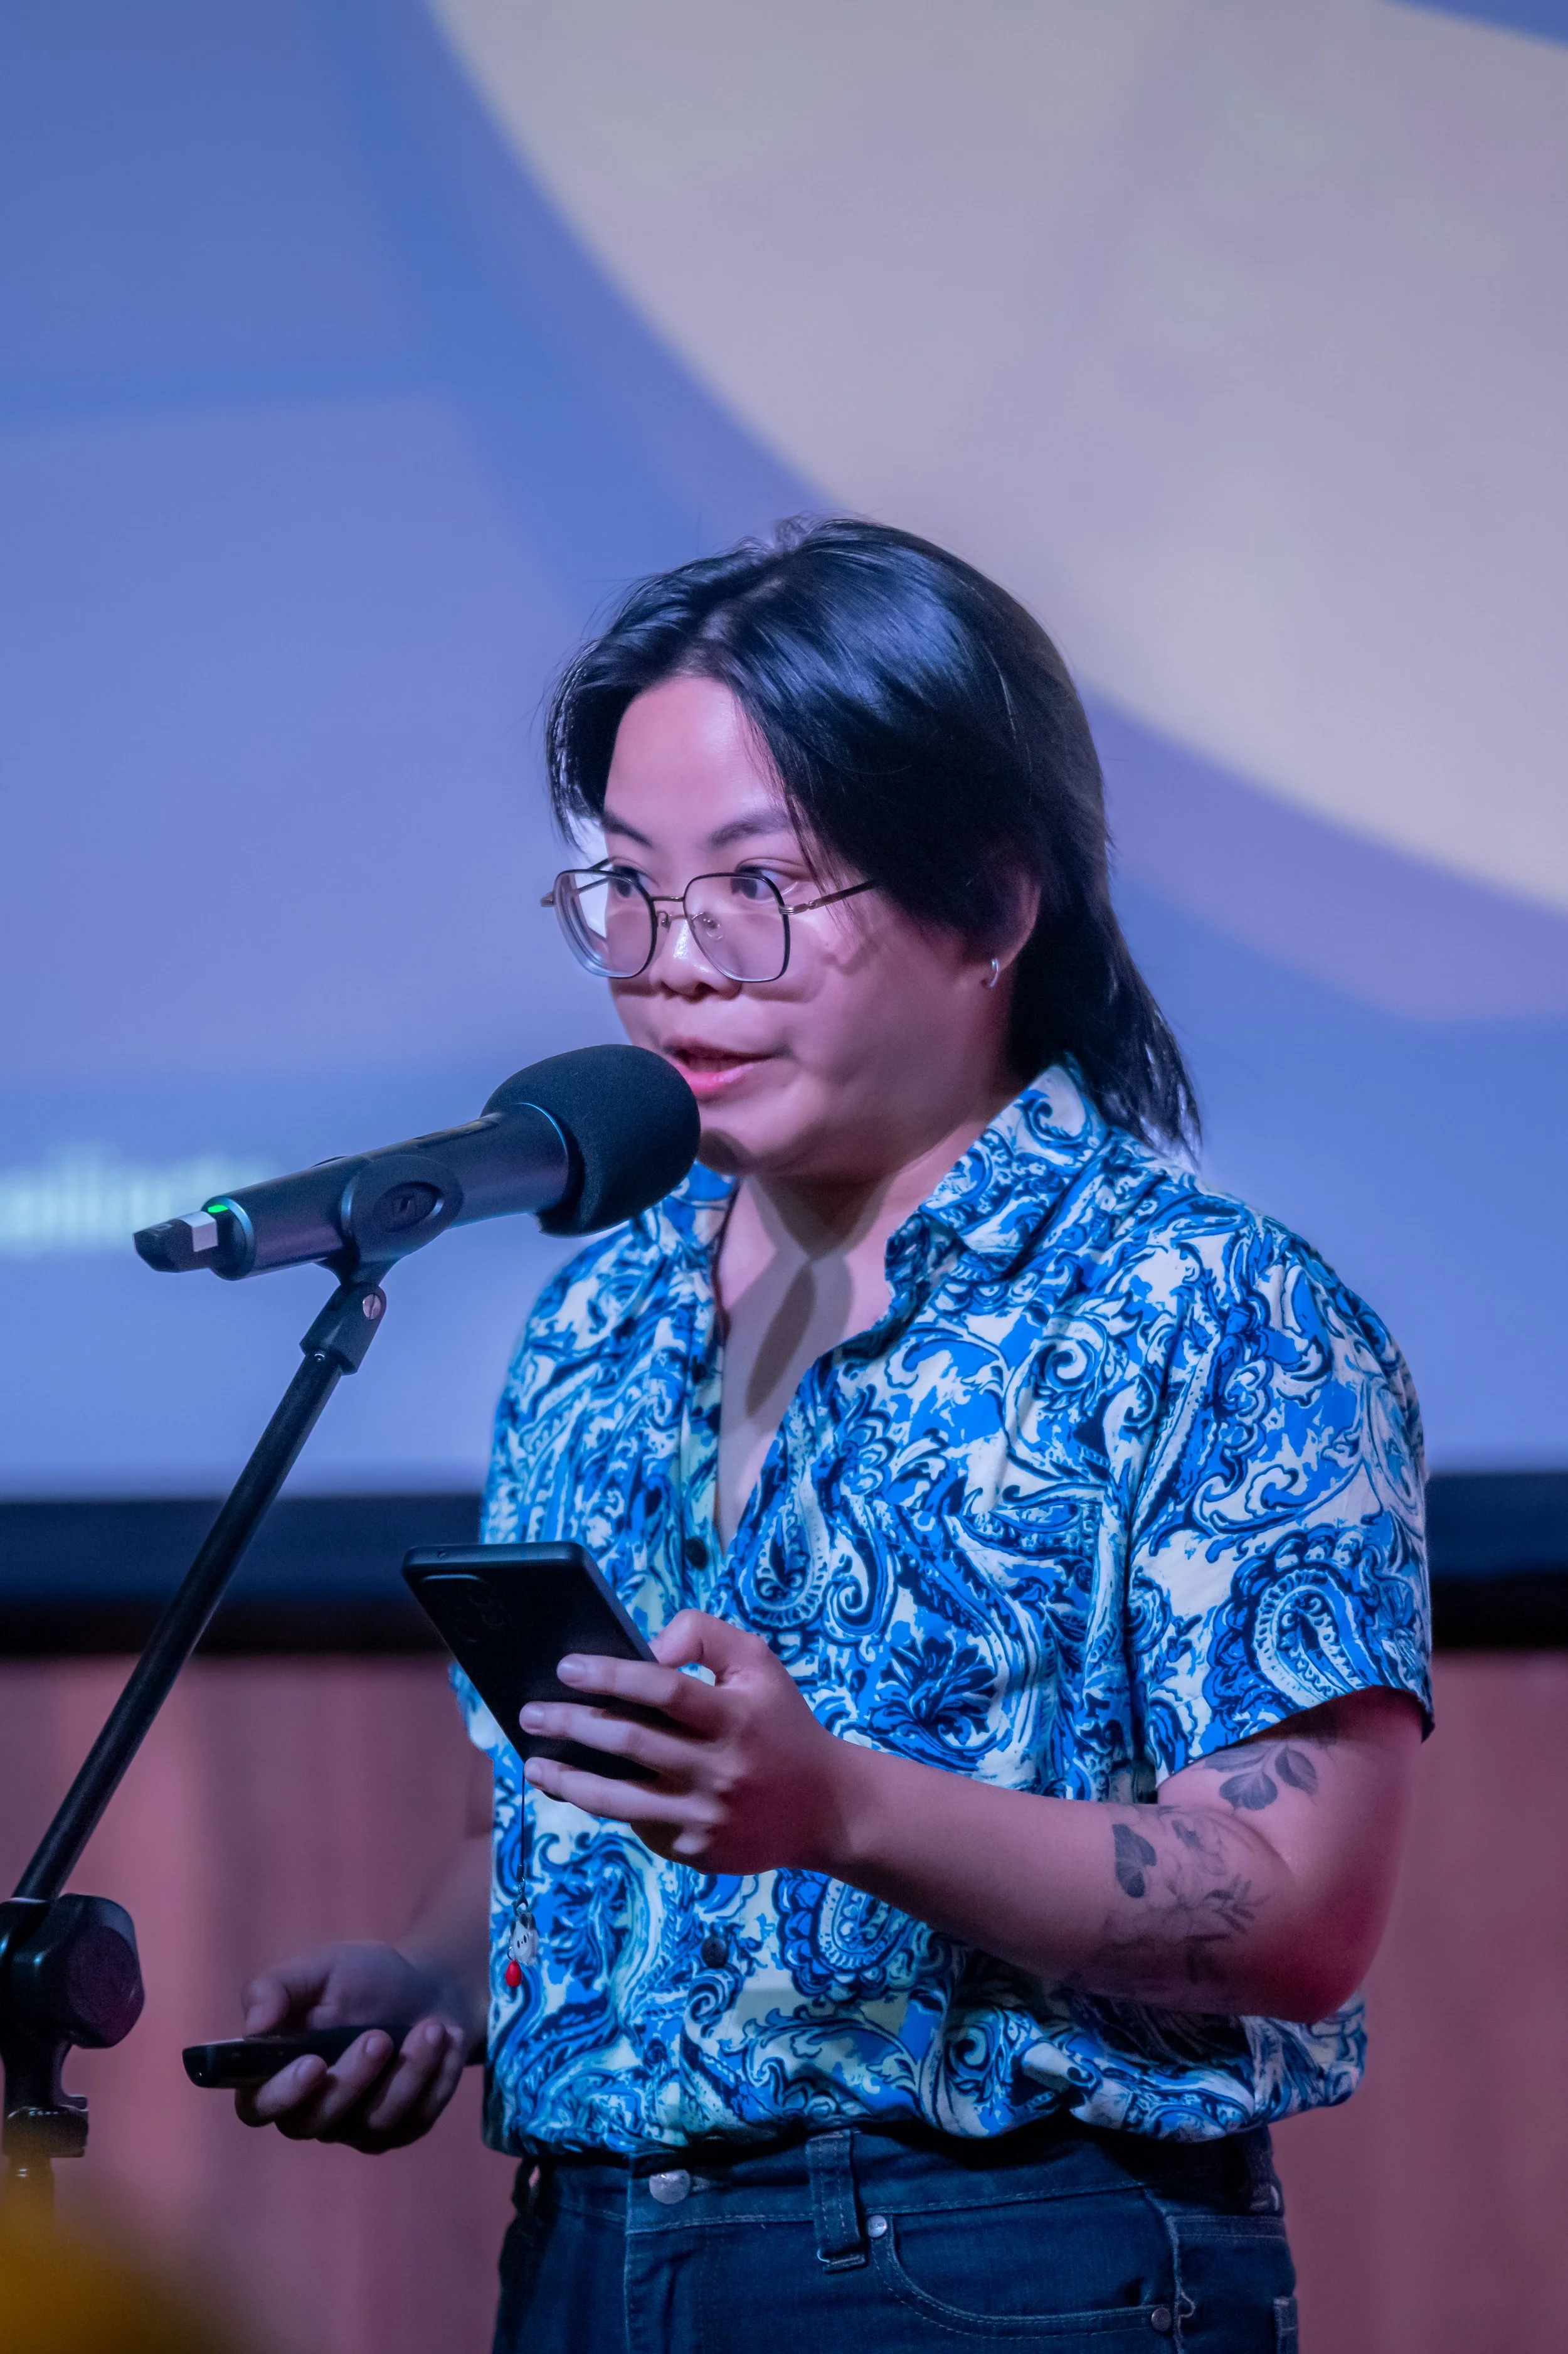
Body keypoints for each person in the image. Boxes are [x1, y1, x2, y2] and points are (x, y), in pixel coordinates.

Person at [238, 520, 1429, 2351]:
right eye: (623, 890)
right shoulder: (596, 1316)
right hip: (583, 2256)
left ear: (994, 903)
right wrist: (425, 1978)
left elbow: (1291, 1906)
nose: (673, 967)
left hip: (1000, 2259)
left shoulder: (1206, 1309)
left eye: (758, 887)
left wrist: (842, 1810)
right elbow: (589, 1811)